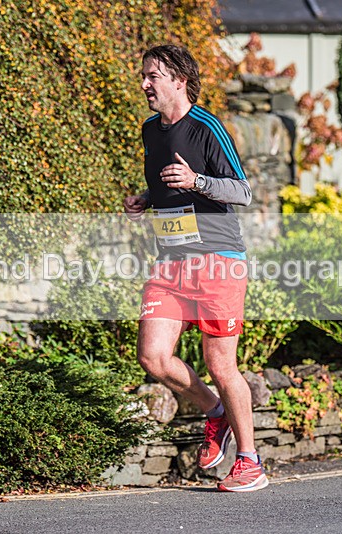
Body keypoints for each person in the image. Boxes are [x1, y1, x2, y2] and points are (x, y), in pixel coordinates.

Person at [123, 44, 268, 492]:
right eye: (144, 76)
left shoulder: (207, 127)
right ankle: (214, 411)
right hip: (171, 262)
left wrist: (197, 181)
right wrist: (145, 199)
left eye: (153, 76)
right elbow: (166, 187)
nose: (144, 84)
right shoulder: (150, 130)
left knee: (221, 364)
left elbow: (242, 192)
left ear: (179, 81)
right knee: (153, 356)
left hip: (218, 260)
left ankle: (250, 462)